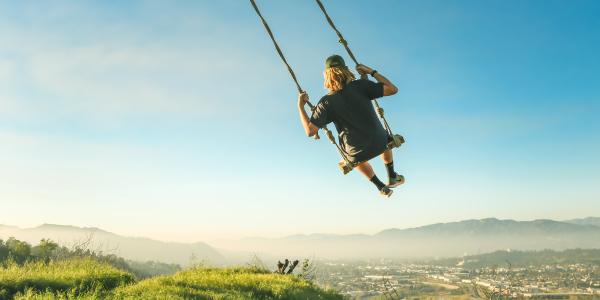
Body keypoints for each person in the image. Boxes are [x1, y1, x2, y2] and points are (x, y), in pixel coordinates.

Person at [297, 54, 405, 197]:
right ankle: (391, 175)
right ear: (345, 70)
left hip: (357, 153)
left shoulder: (325, 103)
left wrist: (301, 106)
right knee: (384, 137)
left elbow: (310, 131)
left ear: (327, 76)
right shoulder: (361, 86)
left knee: (350, 156)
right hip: (380, 142)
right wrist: (371, 72)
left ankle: (380, 187)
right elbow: (392, 89)